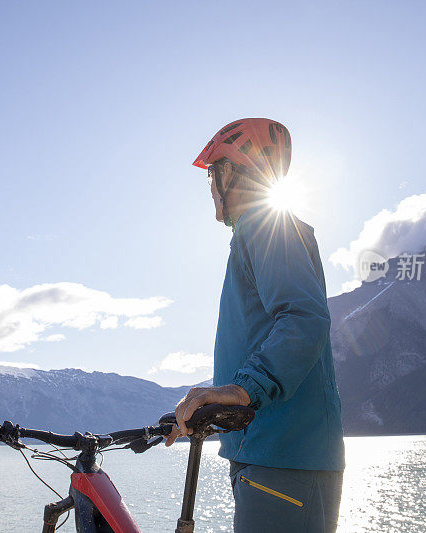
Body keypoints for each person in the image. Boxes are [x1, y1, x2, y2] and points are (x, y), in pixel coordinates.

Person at [164, 118, 345, 532]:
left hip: (280, 455)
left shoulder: (264, 225)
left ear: (233, 173)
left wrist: (241, 390)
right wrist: (212, 407)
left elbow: (305, 318)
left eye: (213, 172)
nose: (210, 185)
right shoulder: (263, 231)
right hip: (273, 453)